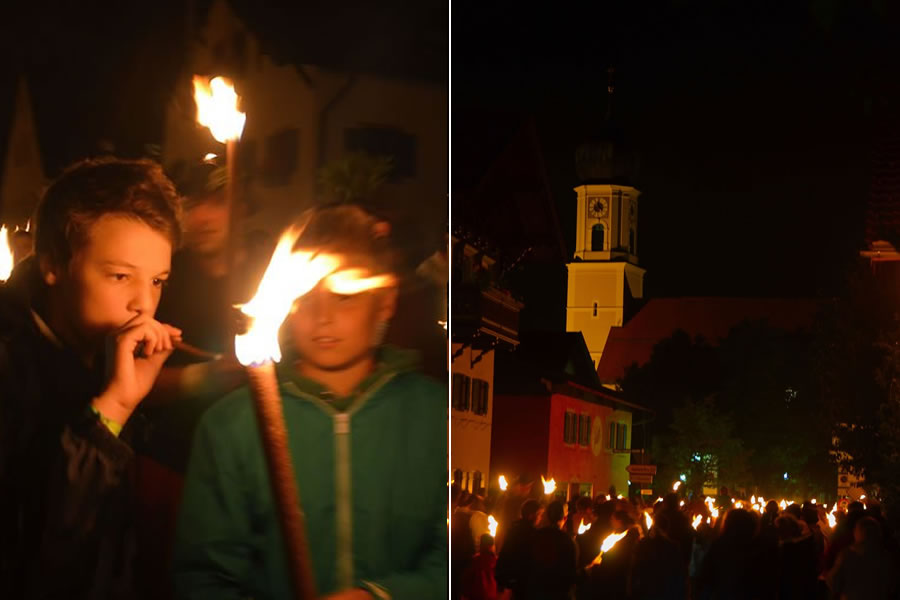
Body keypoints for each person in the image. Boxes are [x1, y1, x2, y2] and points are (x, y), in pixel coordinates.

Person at [173, 204, 447, 599]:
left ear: (385, 300)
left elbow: (453, 562)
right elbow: (203, 577)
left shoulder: (434, 416)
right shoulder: (231, 426)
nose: (322, 317)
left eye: (344, 296)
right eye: (304, 298)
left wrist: (382, 596)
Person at [0, 157, 182, 597]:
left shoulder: (97, 346)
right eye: (120, 276)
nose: (144, 303)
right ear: (53, 265)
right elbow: (41, 546)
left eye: (157, 280)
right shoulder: (8, 364)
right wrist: (114, 407)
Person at [826, 516, 897, 600]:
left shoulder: (846, 555)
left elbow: (834, 580)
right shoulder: (887, 556)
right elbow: (893, 584)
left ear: (859, 532)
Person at [521, 500, 577, 600]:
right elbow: (571, 575)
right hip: (558, 594)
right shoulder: (567, 541)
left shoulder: (535, 536)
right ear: (564, 518)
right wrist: (588, 569)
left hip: (535, 592)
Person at [496, 499, 542, 599]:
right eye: (539, 514)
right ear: (531, 515)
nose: (540, 518)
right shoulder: (532, 533)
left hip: (512, 578)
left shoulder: (513, 529)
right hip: (524, 579)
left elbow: (505, 551)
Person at [462, 534, 499, 600]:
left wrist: (465, 593)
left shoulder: (475, 560)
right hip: (491, 595)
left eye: (480, 543)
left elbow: (467, 578)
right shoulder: (496, 560)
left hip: (478, 595)